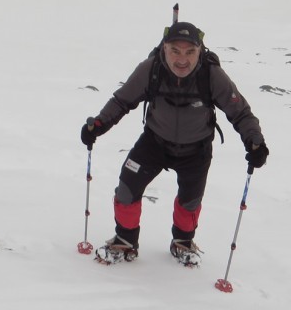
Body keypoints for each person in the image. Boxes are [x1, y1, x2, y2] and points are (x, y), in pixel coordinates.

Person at [80, 20, 269, 266]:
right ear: (164, 49)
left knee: (190, 201)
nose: (182, 60)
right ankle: (124, 241)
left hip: (196, 149)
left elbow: (240, 112)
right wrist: (99, 125)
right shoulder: (151, 69)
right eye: (175, 51)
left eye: (190, 52)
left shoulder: (211, 75)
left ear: (199, 51)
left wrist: (255, 141)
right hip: (154, 143)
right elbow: (122, 101)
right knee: (127, 188)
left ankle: (182, 242)